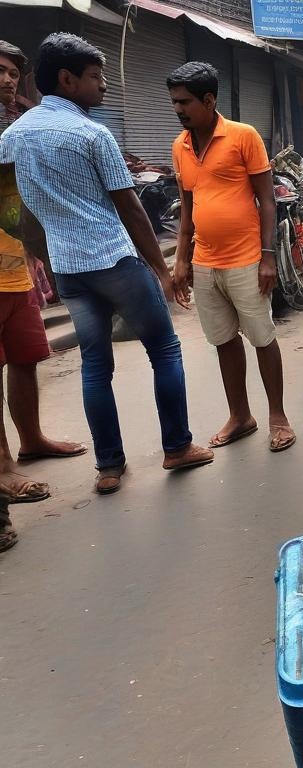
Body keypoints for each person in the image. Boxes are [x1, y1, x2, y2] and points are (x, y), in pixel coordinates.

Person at [0, 33, 215, 495]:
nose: (103, 87)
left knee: (96, 366)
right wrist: (161, 270)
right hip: (114, 261)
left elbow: (16, 213)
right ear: (66, 79)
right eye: (96, 78)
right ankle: (177, 447)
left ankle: (109, 467)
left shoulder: (12, 137)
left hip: (69, 271)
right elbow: (132, 209)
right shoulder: (92, 134)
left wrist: (46, 254)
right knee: (165, 350)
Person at [167, 62, 296, 454]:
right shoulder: (180, 146)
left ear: (209, 99)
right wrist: (182, 259)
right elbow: (187, 207)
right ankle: (240, 416)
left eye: (185, 102)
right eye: (174, 102)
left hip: (246, 259)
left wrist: (268, 255)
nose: (178, 109)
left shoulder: (243, 136)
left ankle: (278, 417)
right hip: (206, 263)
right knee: (223, 341)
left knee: (262, 338)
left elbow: (267, 200)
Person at [0, 41, 87, 508]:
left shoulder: (16, 125)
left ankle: (30, 439)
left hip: (15, 267)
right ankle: (2, 467)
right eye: (1, 71)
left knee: (26, 356)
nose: (9, 80)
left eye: (14, 72)